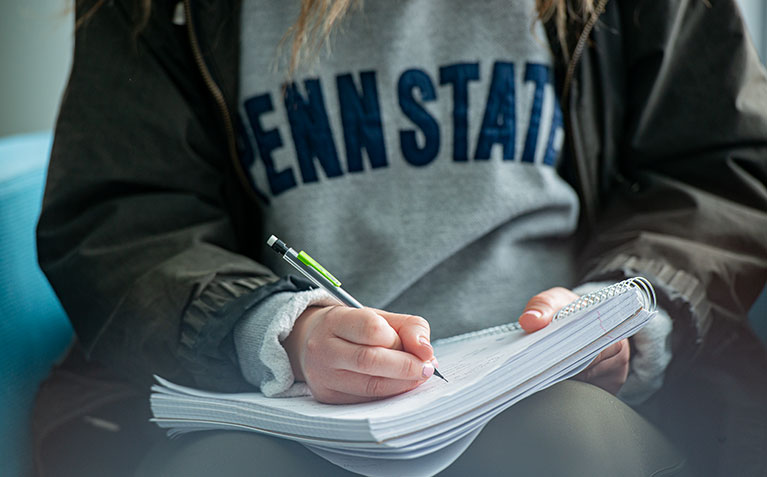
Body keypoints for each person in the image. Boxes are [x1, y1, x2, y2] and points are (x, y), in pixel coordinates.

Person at [33, 0, 767, 475]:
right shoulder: (156, 15)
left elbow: (722, 173)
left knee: (565, 444)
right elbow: (124, 219)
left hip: (568, 395)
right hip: (278, 409)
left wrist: (624, 321)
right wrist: (276, 331)